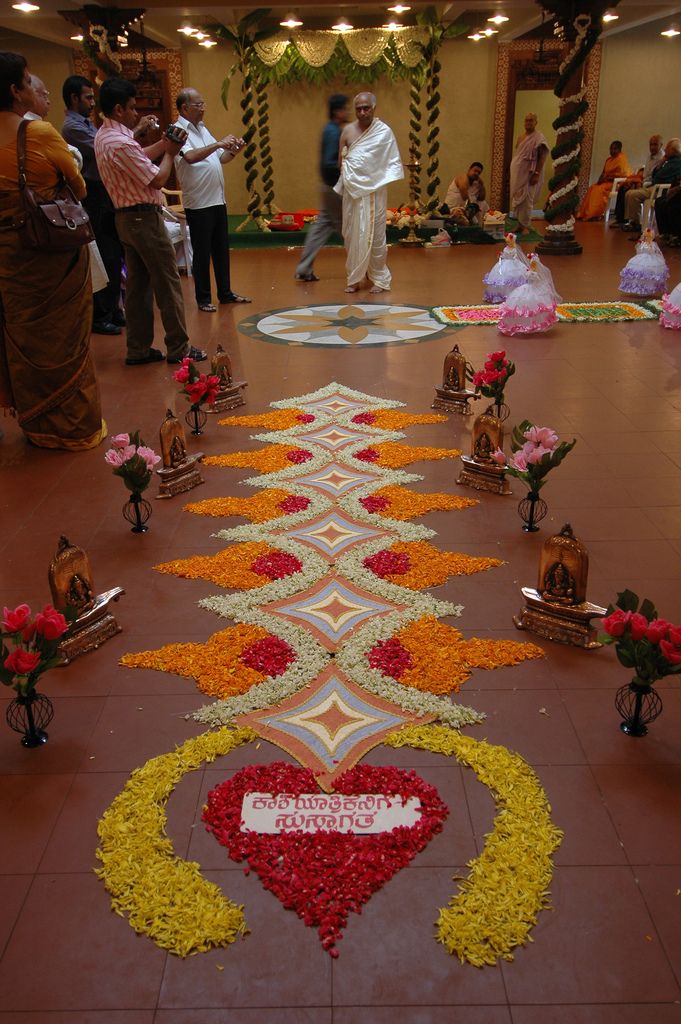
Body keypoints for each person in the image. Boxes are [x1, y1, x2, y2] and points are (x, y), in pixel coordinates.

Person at [0, 51, 106, 449]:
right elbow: (78, 186)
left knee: (21, 332)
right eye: (28, 81)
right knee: (64, 336)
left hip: (7, 260)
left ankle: (35, 422)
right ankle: (73, 427)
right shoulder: (38, 133)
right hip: (49, 255)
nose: (33, 87)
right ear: (15, 91)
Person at [94, 77, 206, 365]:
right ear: (119, 109)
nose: (136, 115)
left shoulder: (105, 136)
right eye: (132, 108)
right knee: (168, 284)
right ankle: (179, 348)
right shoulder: (120, 141)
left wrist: (162, 144)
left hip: (126, 221)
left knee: (138, 288)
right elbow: (156, 179)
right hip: (144, 219)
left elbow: (138, 157)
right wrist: (170, 152)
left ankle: (138, 348)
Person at [63, 74, 133, 336]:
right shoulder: (73, 127)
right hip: (92, 194)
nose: (92, 103)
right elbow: (106, 151)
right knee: (105, 255)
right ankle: (101, 314)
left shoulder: (87, 123)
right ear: (74, 98)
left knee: (114, 256)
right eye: (88, 97)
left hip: (103, 192)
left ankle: (114, 309)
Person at [173, 87, 249, 312]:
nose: (203, 108)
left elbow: (221, 159)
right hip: (198, 203)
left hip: (217, 200)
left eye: (203, 104)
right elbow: (190, 157)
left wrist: (234, 150)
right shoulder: (177, 131)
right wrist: (218, 144)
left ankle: (225, 293)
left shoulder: (202, 129)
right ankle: (203, 299)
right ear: (185, 108)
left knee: (220, 249)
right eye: (198, 105)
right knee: (202, 252)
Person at [334, 91, 403, 293]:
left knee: (376, 234)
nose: (363, 112)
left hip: (374, 192)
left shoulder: (383, 132)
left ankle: (379, 278)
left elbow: (388, 163)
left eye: (367, 108)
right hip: (352, 193)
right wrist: (348, 166)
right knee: (352, 233)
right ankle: (354, 277)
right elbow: (340, 162)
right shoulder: (347, 131)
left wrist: (367, 173)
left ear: (374, 108)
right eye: (359, 108)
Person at [294, 93, 349, 282]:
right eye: (345, 108)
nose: (348, 112)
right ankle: (364, 268)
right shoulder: (335, 132)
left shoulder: (329, 129)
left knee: (321, 228)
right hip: (335, 187)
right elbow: (329, 163)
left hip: (327, 187)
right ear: (338, 111)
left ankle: (304, 267)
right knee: (348, 228)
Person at [622, 138, 681, 231]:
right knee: (629, 193)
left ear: (673, 151)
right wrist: (661, 163)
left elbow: (657, 177)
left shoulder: (676, 162)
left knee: (632, 195)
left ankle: (636, 223)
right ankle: (634, 221)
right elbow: (655, 175)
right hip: (654, 187)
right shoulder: (669, 161)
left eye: (667, 148)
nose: (665, 150)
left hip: (660, 190)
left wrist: (660, 165)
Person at [610, 134, 664, 227]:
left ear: (661, 145)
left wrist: (641, 183)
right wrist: (637, 181)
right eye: (651, 144)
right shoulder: (649, 156)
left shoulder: (662, 158)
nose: (652, 147)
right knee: (623, 188)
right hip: (644, 182)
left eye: (655, 144)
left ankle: (634, 222)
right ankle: (621, 219)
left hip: (651, 186)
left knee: (630, 192)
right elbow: (645, 174)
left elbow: (654, 177)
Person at [498, 254, 559, 336]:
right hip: (526, 287)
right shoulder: (530, 270)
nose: (531, 264)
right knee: (522, 304)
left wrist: (532, 275)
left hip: (532, 288)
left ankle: (532, 325)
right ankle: (525, 324)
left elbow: (535, 280)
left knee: (532, 306)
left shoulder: (534, 273)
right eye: (531, 263)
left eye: (533, 263)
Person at [509, 113, 548, 234]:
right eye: (526, 120)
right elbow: (518, 154)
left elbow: (542, 156)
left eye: (531, 120)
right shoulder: (520, 137)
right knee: (518, 197)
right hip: (518, 173)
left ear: (536, 122)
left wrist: (536, 173)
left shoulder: (539, 138)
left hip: (530, 173)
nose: (528, 123)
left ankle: (525, 225)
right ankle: (519, 225)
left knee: (527, 198)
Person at [576, 140, 630, 221]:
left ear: (619, 150)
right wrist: (600, 180)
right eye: (611, 149)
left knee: (599, 190)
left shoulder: (621, 160)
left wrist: (608, 178)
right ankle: (584, 213)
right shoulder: (609, 160)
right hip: (606, 182)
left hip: (616, 184)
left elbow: (624, 175)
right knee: (592, 188)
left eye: (615, 149)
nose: (612, 151)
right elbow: (603, 172)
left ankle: (594, 215)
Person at [619, 227, 669, 296]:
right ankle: (641, 288)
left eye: (649, 236)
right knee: (640, 272)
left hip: (650, 259)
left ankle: (648, 289)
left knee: (649, 273)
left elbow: (657, 252)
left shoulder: (653, 244)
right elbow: (638, 250)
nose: (647, 237)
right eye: (646, 236)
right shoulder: (642, 244)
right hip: (642, 258)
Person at [483, 232, 529, 303]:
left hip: (513, 263)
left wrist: (514, 258)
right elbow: (504, 256)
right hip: (505, 263)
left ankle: (512, 294)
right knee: (501, 277)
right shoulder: (505, 248)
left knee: (512, 279)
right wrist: (501, 255)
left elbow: (515, 256)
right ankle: (501, 294)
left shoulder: (514, 249)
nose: (508, 243)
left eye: (509, 242)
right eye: (507, 242)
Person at [443, 162, 489, 227]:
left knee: (483, 203)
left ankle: (479, 229)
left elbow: (482, 198)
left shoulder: (476, 184)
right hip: (452, 209)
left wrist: (482, 185)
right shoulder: (462, 178)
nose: (476, 173)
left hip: (465, 210)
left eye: (479, 173)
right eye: (475, 171)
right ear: (469, 170)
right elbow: (464, 196)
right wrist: (471, 209)